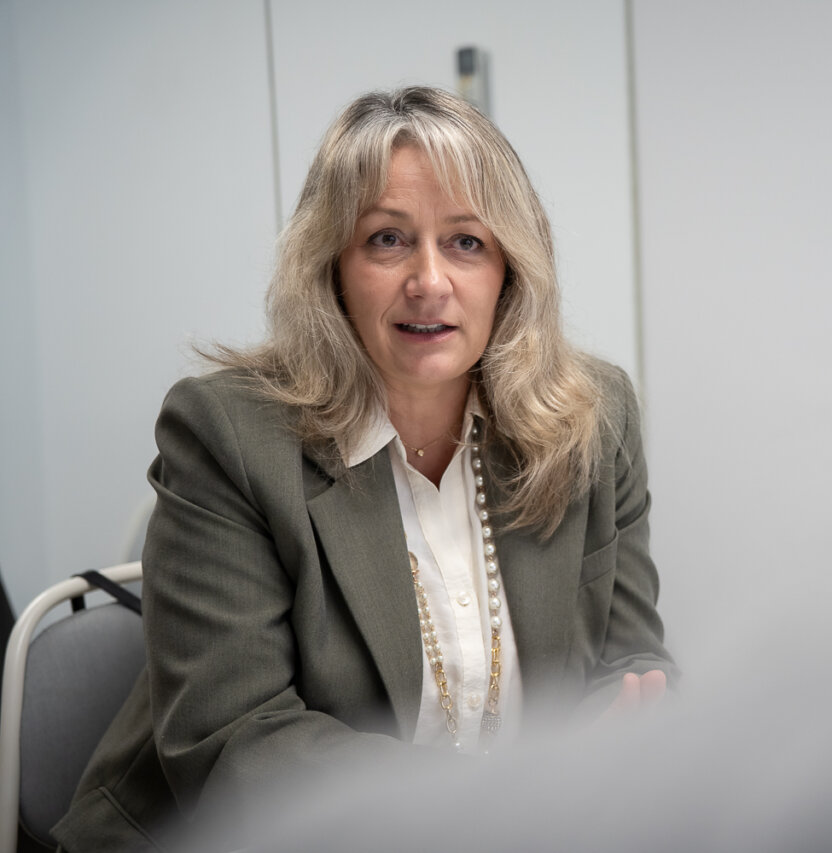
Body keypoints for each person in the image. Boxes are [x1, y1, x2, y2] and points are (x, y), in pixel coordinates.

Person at [51, 85, 675, 852]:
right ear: (332, 268)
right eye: (387, 240)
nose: (430, 281)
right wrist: (496, 802)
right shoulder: (228, 435)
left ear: (510, 270)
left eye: (466, 242)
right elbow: (236, 743)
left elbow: (633, 659)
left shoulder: (593, 416)